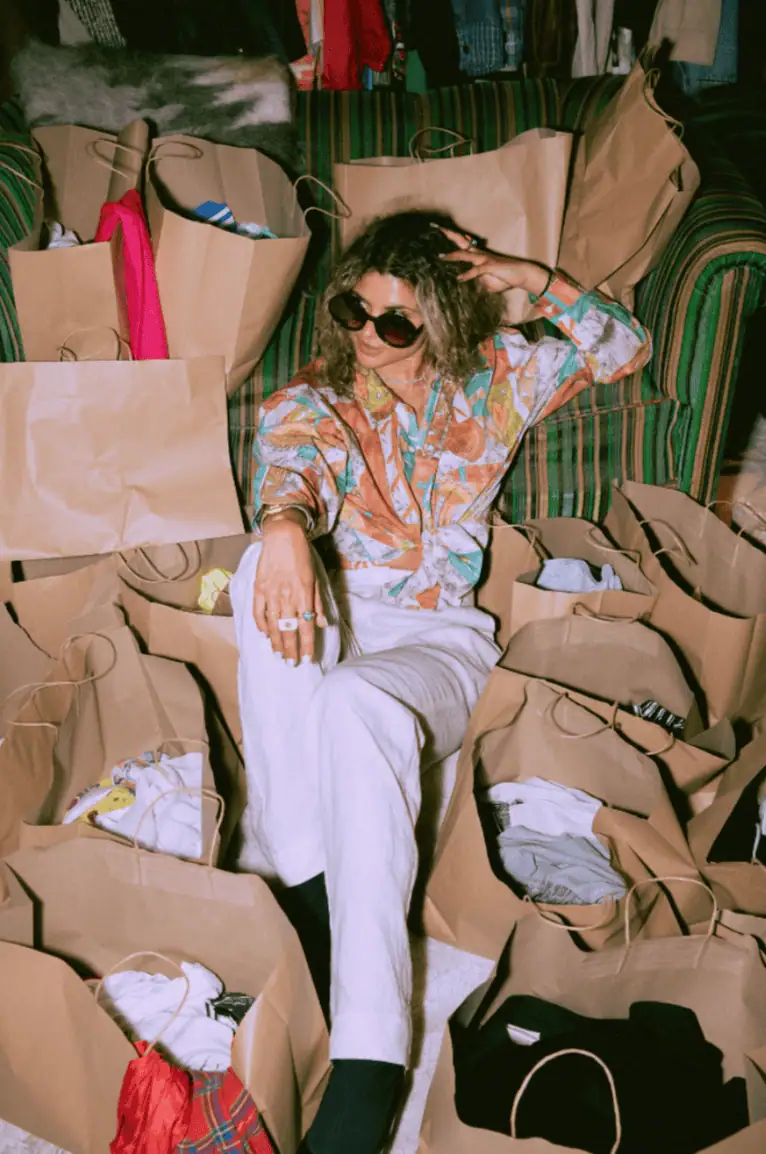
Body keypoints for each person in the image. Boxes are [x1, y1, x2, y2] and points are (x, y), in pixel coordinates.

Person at [229, 210, 651, 1154]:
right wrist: (285, 525)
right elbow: (291, 457)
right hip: (337, 612)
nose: (368, 337)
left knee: (358, 703)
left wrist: (530, 276)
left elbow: (624, 348)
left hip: (439, 642)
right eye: (354, 310)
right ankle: (311, 879)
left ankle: (370, 1058)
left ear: (445, 321)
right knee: (261, 568)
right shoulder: (321, 397)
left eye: (396, 321)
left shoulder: (501, 377)